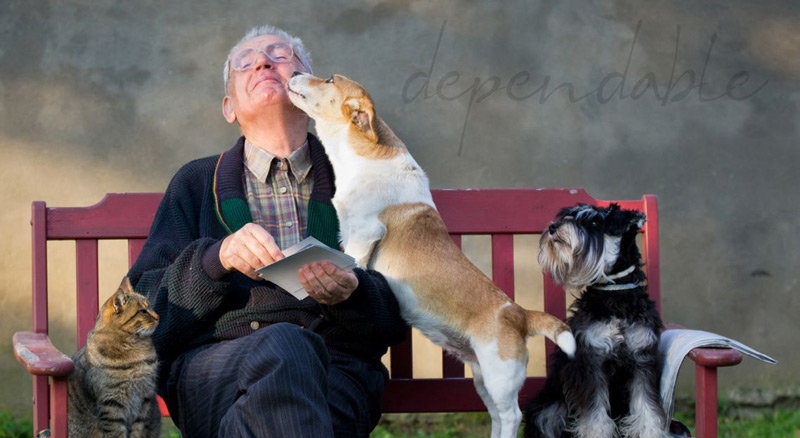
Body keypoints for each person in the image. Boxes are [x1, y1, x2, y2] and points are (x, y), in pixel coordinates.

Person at [127, 24, 407, 438]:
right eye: (246, 63)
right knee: (285, 348)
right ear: (229, 108)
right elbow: (143, 316)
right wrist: (214, 260)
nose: (262, 62)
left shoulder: (360, 182)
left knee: (283, 386)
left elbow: (396, 317)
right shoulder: (195, 182)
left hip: (337, 374)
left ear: (308, 90)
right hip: (216, 373)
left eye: (280, 55)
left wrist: (354, 293)